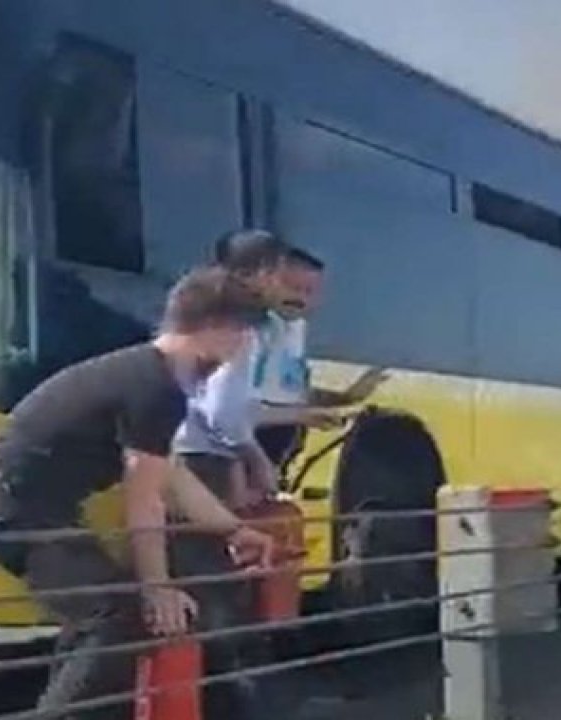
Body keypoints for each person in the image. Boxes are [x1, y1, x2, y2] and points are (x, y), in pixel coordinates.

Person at [0, 266, 276, 720]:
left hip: (18, 506)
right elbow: (144, 499)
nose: (242, 348)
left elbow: (172, 476)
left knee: (101, 616)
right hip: (13, 509)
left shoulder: (147, 375)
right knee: (115, 616)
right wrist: (158, 589)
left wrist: (233, 528)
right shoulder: (157, 387)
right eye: (242, 333)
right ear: (215, 328)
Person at [170, 230, 385, 718]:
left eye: (312, 292)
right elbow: (225, 410)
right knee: (224, 577)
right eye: (288, 284)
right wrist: (254, 454)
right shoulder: (243, 327)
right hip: (217, 457)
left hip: (235, 455)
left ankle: (244, 691)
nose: (302, 300)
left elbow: (280, 394)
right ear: (257, 277)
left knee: (250, 573)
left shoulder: (281, 330)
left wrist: (334, 401)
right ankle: (234, 697)